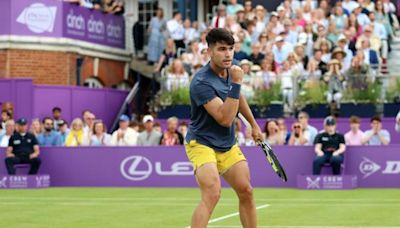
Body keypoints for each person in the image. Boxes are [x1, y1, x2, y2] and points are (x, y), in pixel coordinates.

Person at [184, 28, 263, 228]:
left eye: (230, 49)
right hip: (201, 143)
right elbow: (225, 119)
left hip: (226, 144)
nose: (228, 54)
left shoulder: (230, 71)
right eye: (221, 49)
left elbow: (238, 98)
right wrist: (236, 83)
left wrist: (253, 125)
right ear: (210, 51)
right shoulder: (201, 82)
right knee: (212, 193)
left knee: (246, 191)